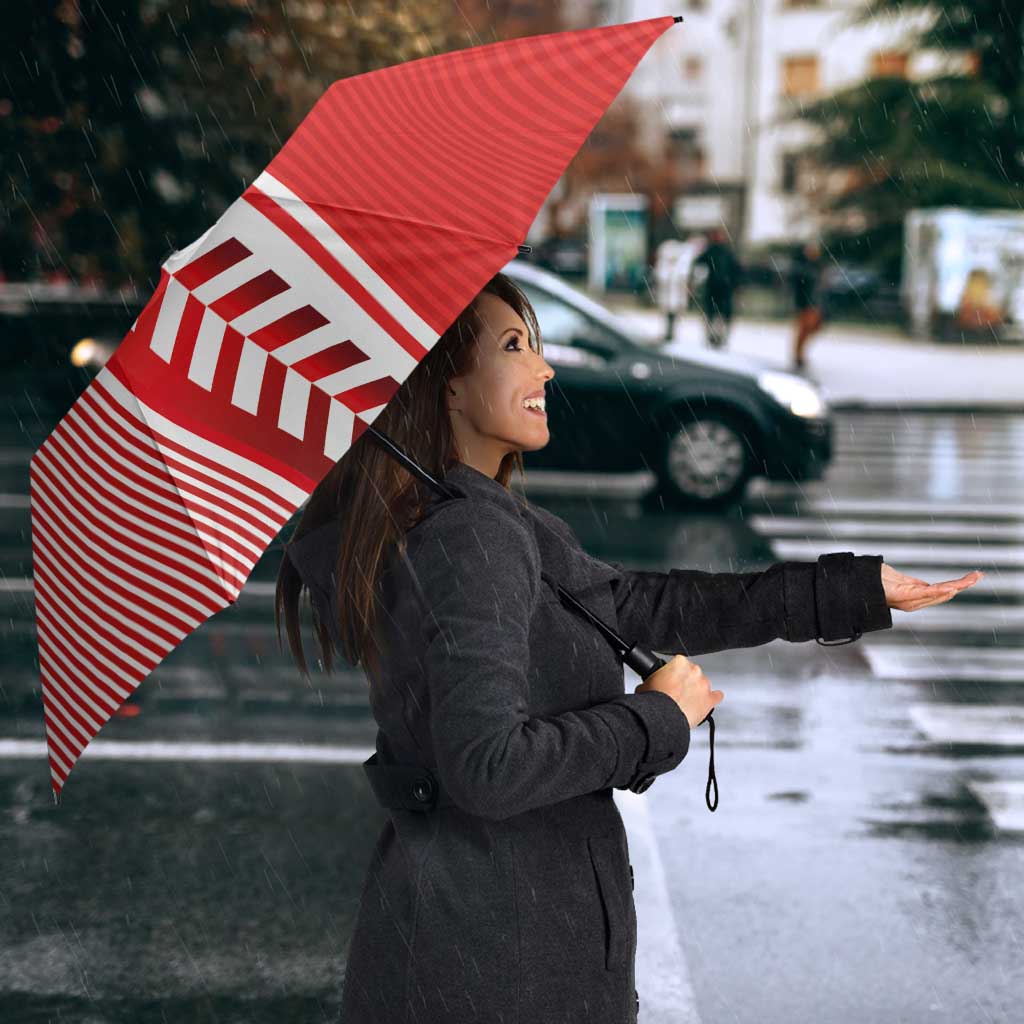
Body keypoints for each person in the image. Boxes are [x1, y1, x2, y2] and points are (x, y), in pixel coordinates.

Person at [276, 271, 975, 1024]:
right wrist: (655, 719)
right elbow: (487, 768)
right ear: (446, 386)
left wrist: (850, 591)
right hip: (500, 962)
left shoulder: (474, 517)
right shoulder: (469, 536)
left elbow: (638, 605)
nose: (544, 368)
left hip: (480, 940)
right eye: (514, 346)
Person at [692, 226, 742, 349]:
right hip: (715, 288)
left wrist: (735, 284)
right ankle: (713, 337)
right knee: (713, 314)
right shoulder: (712, 251)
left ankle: (719, 337)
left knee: (720, 315)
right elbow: (698, 264)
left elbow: (736, 270)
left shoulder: (725, 252)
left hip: (723, 288)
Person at [790, 239, 826, 370]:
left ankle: (799, 354)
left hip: (814, 303)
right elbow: (799, 286)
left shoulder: (817, 266)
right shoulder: (802, 267)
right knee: (804, 329)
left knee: (812, 328)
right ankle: (798, 355)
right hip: (805, 303)